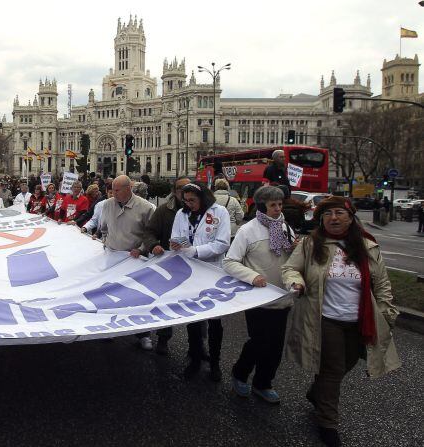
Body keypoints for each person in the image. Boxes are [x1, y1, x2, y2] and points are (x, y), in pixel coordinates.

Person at [281, 196, 400, 447]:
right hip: (326, 319)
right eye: (327, 214)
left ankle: (317, 392)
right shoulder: (311, 244)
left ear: (350, 217)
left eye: (338, 213)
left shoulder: (368, 246)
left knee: (347, 363)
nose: (333, 218)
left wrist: (388, 313)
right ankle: (328, 423)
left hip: (359, 321)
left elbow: (382, 284)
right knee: (333, 370)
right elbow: (290, 269)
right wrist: (296, 281)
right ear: (321, 219)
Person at [223, 186, 297, 404]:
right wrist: (252, 276)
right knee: (259, 341)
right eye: (272, 205)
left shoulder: (285, 227)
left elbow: (290, 259)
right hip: (258, 297)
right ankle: (240, 373)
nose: (277, 209)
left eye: (280, 204)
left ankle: (263, 383)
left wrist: (296, 249)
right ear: (261, 206)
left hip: (282, 297)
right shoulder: (248, 231)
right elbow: (230, 262)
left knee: (275, 346)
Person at [170, 183, 231, 380]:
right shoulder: (182, 214)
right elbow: (177, 236)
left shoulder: (219, 212)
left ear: (203, 197)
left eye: (192, 200)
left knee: (214, 320)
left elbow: (222, 243)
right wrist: (177, 244)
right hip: (190, 272)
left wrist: (196, 251)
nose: (189, 204)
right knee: (193, 319)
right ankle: (195, 358)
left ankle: (215, 363)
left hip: (212, 271)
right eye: (185, 200)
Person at [97, 175, 155, 350]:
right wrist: (107, 241)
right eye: (112, 190)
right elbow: (103, 228)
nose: (113, 193)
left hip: (134, 259)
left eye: (117, 190)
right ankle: (110, 328)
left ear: (128, 188)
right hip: (113, 257)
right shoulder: (107, 205)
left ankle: (143, 333)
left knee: (137, 296)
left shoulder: (146, 208)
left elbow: (151, 233)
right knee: (110, 293)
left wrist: (142, 248)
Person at [141, 176, 191, 354]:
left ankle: (197, 347)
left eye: (189, 188)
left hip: (194, 266)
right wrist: (154, 245)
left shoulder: (202, 211)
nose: (185, 194)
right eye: (181, 190)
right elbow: (149, 232)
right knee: (166, 303)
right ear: (174, 192)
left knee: (196, 305)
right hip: (169, 266)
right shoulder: (164, 211)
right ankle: (163, 337)